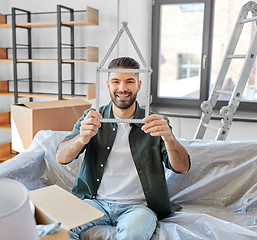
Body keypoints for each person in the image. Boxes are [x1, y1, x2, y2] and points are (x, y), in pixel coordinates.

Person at [56, 57, 190, 240]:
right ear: (107, 84)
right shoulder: (92, 117)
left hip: (138, 208)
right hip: (95, 203)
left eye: (129, 81)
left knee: (132, 236)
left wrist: (169, 138)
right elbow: (61, 157)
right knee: (57, 229)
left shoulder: (155, 122)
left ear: (139, 85)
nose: (122, 88)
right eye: (116, 81)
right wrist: (81, 139)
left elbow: (182, 167)